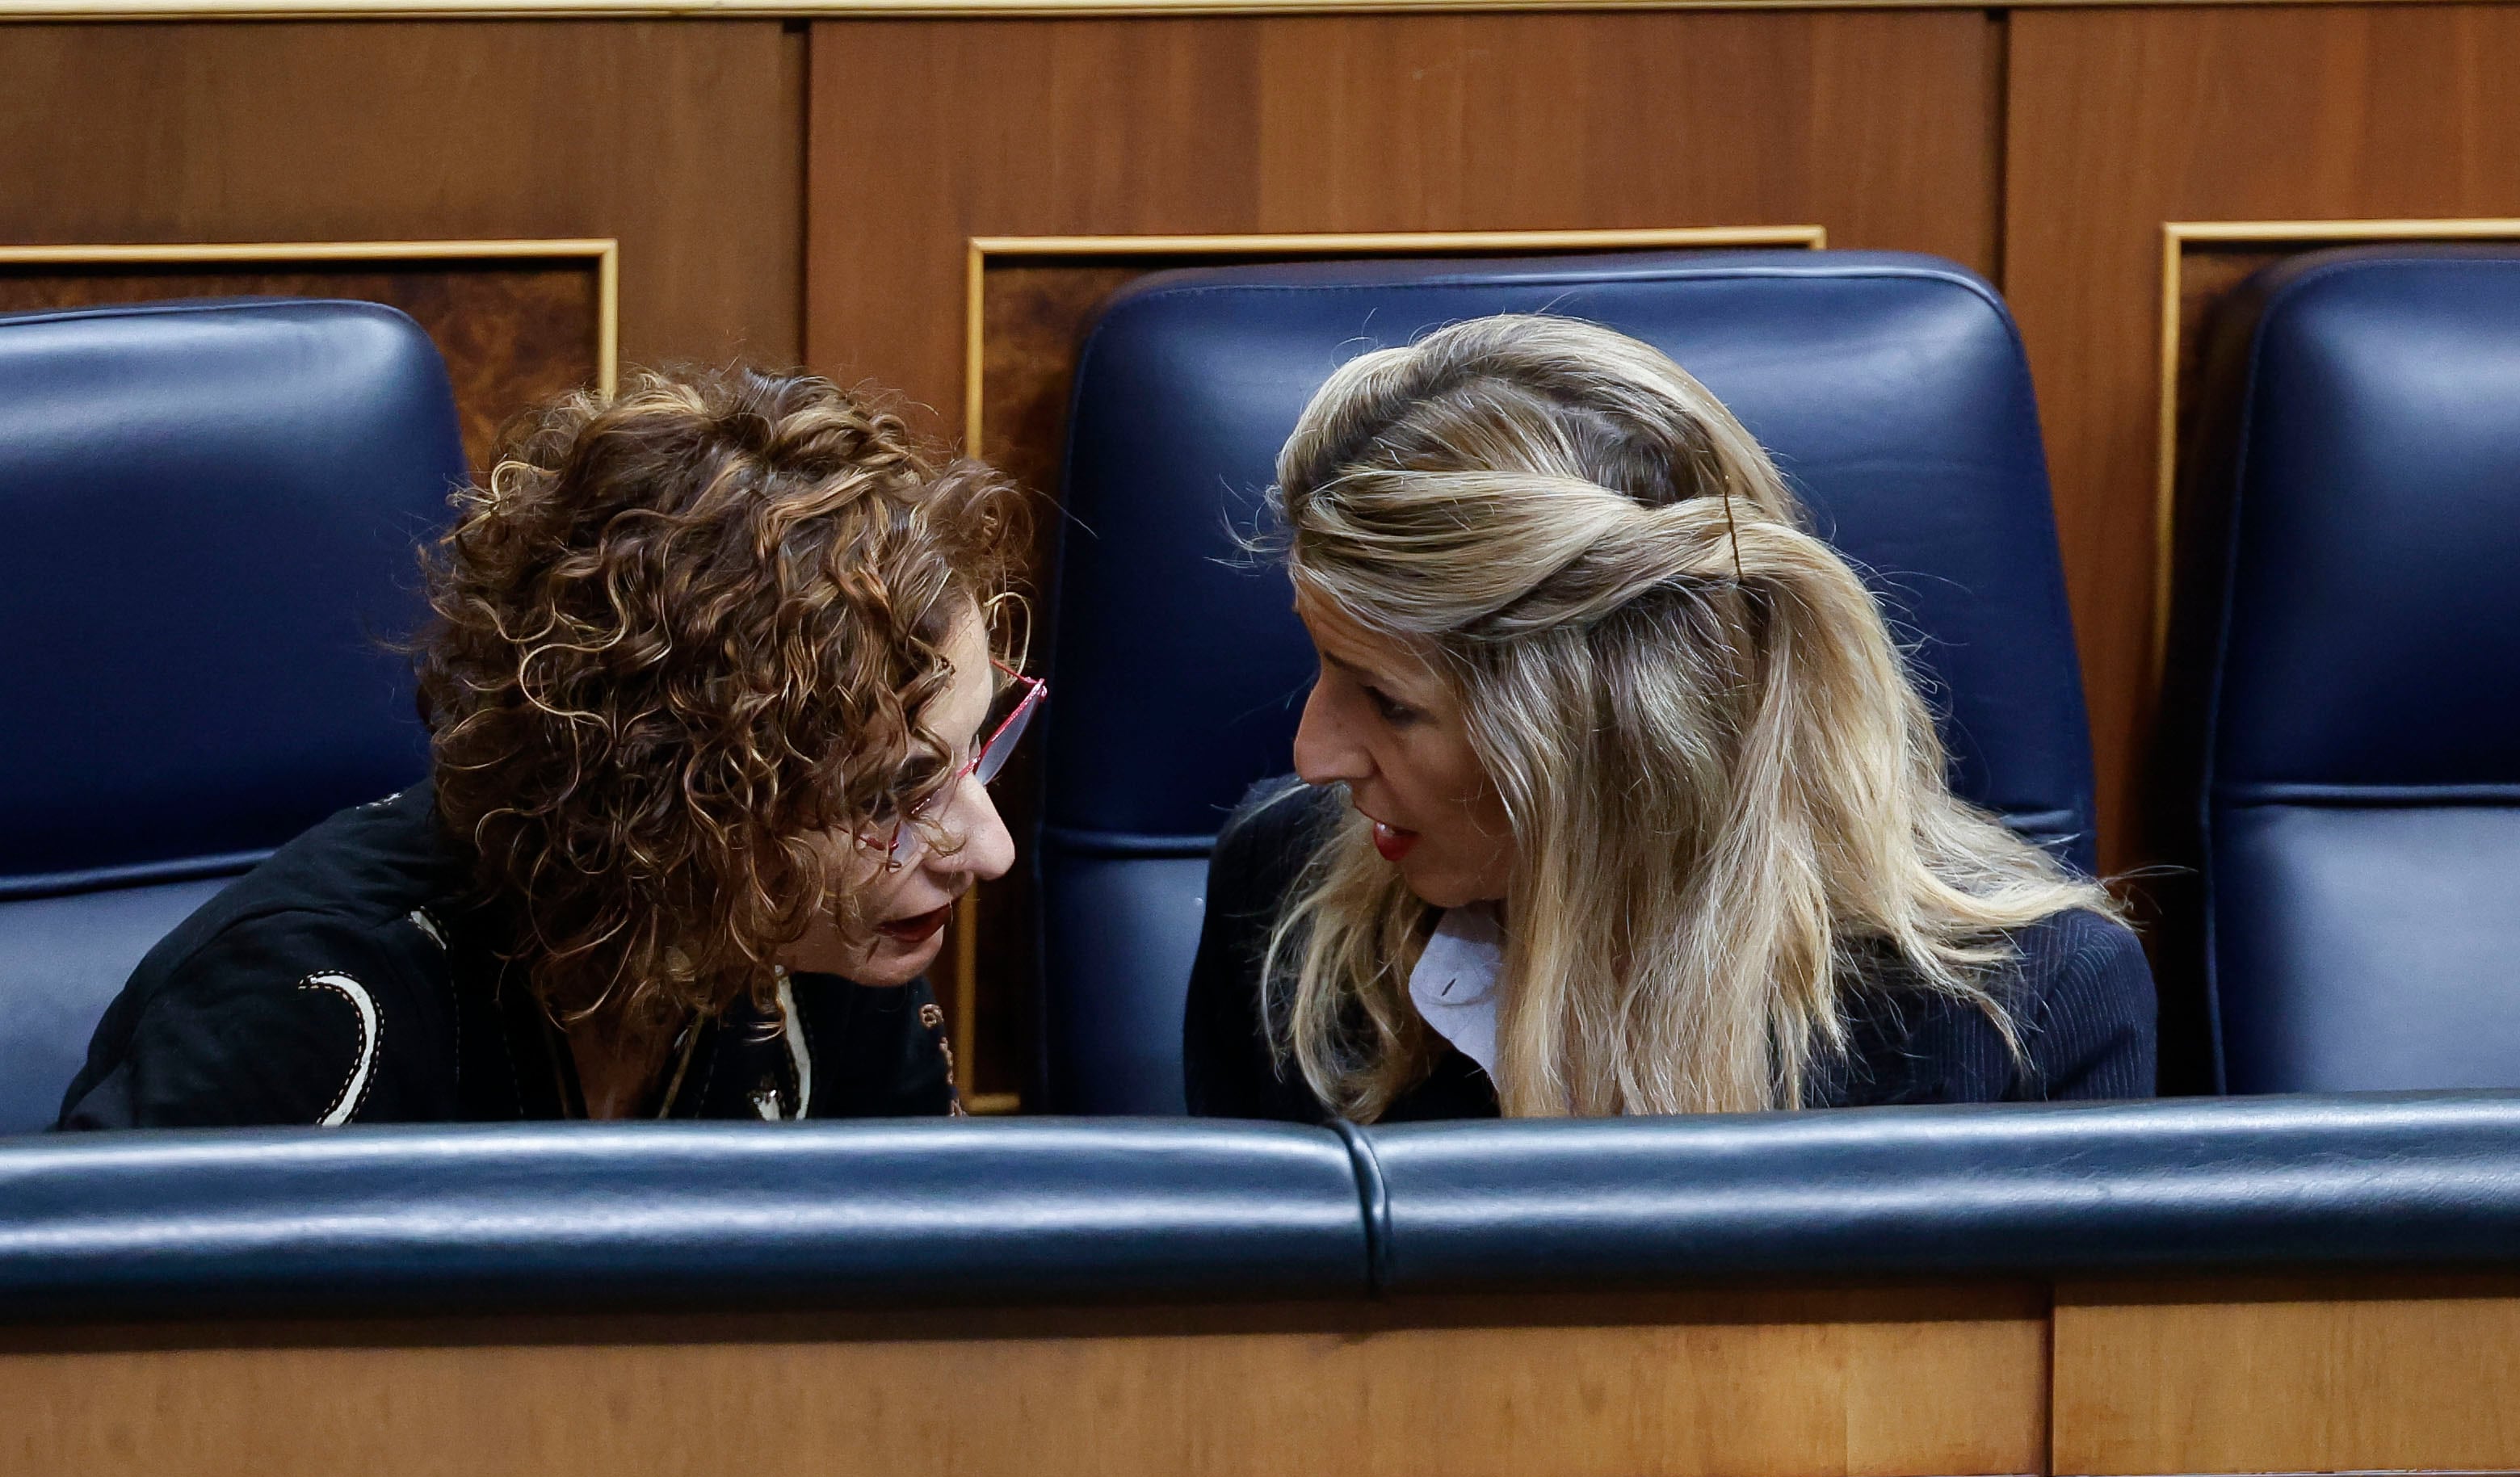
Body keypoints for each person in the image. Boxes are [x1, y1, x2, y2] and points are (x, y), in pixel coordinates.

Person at [1185, 314, 2153, 1122]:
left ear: (1619, 732)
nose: (1314, 755)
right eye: (1323, 666)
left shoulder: (2031, 1007)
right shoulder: (1282, 895)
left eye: (1392, 703)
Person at [61, 367, 1035, 1127]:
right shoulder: (311, 1005)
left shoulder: (829, 941)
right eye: (889, 795)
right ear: (682, 800)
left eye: (969, 756)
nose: (989, 850)